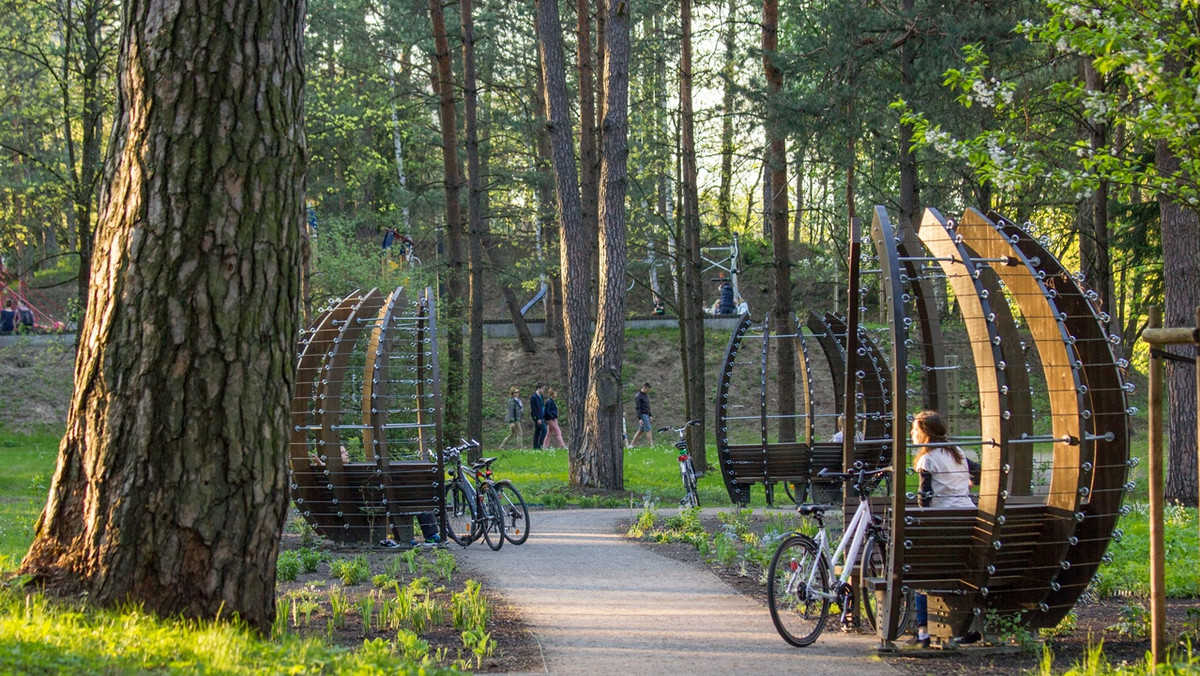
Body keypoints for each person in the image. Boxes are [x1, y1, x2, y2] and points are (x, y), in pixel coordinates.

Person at [906, 409, 979, 648]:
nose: (912, 433)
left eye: (915, 429)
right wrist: (961, 484)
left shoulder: (927, 459)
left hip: (942, 522)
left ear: (925, 433)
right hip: (967, 517)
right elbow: (977, 474)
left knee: (920, 570)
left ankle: (924, 631)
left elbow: (924, 499)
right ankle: (965, 625)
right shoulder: (956, 452)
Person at [628, 382, 653, 447]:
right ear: (644, 388)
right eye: (647, 390)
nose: (648, 391)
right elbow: (638, 408)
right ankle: (651, 446)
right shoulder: (638, 396)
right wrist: (640, 418)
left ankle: (631, 445)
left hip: (647, 414)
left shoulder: (645, 395)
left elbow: (648, 406)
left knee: (640, 431)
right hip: (643, 414)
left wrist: (650, 415)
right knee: (649, 429)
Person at [530, 383, 547, 450]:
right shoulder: (534, 397)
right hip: (538, 417)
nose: (544, 390)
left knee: (537, 431)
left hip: (542, 416)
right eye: (542, 388)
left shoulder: (541, 397)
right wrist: (537, 418)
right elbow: (534, 408)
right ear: (538, 388)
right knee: (544, 430)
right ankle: (540, 445)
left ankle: (535, 447)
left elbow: (542, 407)